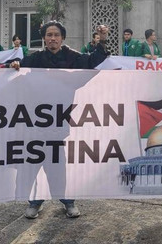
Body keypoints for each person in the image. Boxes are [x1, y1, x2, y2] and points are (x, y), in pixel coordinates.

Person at [10, 21, 110, 220]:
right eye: (49, 35)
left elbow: (94, 61)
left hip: (59, 121)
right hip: (36, 122)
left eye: (56, 35)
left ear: (62, 38)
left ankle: (67, 201)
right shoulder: (36, 58)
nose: (52, 38)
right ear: (44, 38)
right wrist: (14, 66)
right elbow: (13, 69)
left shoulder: (72, 57)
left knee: (58, 165)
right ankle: (35, 202)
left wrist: (103, 40)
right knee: (35, 165)